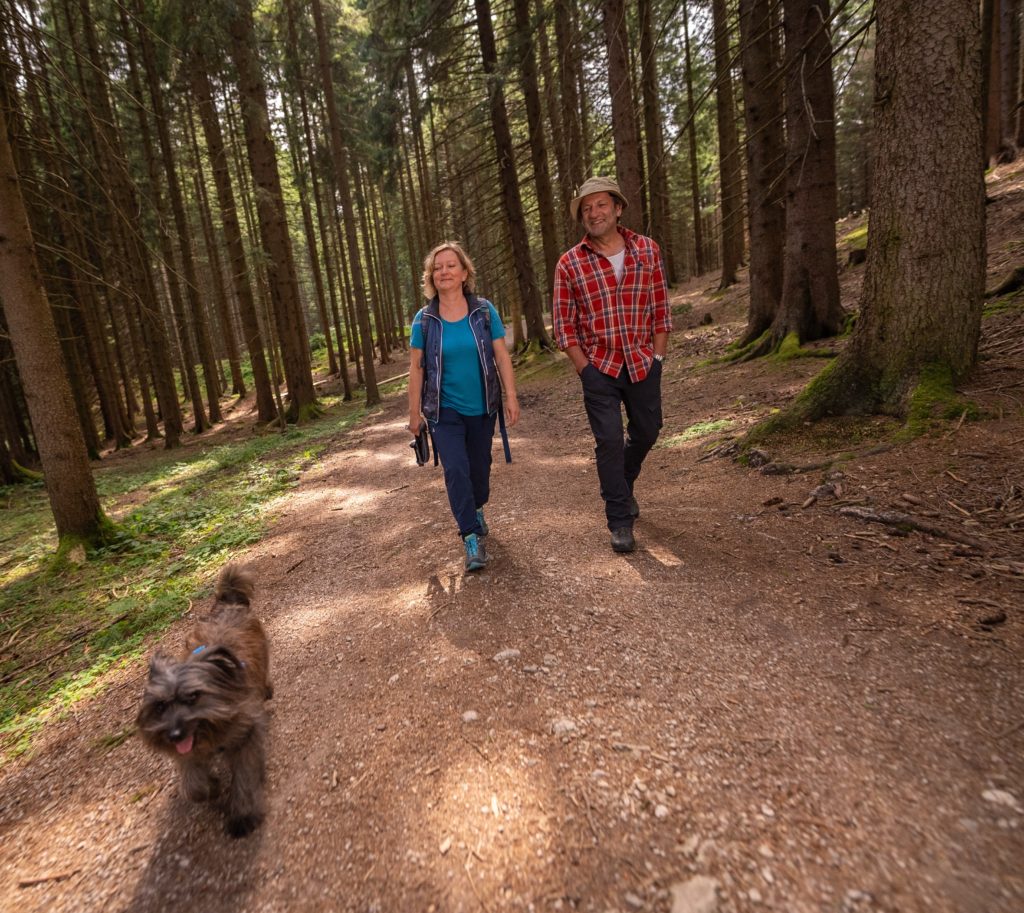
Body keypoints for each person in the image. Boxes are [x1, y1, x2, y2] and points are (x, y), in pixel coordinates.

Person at [553, 176, 671, 554]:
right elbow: (563, 325)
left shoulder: (648, 251)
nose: (594, 213)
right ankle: (620, 520)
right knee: (608, 441)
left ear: (618, 208)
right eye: (587, 208)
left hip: (641, 362)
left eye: (601, 205)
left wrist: (658, 358)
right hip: (599, 367)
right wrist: (584, 368)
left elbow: (660, 311)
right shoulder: (570, 263)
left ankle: (624, 479)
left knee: (648, 430)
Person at [408, 241, 520, 572]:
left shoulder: (483, 311)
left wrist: (511, 395)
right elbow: (416, 370)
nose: (443, 271)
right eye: (437, 267)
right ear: (431, 276)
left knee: (479, 471)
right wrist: (413, 414)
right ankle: (470, 536)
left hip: (483, 405)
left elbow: (501, 355)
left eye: (450, 265)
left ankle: (477, 507)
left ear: (464, 272)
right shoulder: (424, 319)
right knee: (456, 469)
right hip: (444, 411)